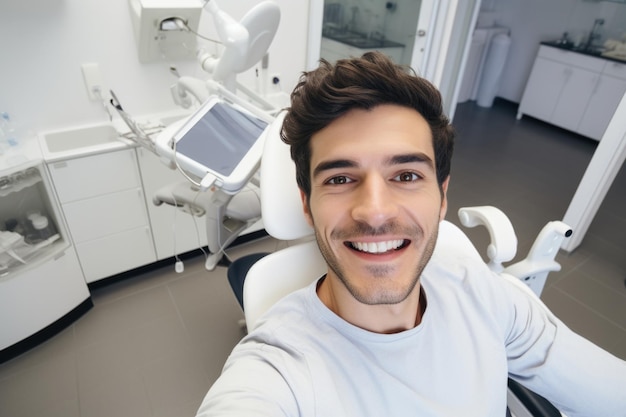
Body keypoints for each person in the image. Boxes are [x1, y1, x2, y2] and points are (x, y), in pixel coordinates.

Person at [196, 52, 626, 416]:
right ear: (307, 204)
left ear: (442, 198)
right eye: (340, 179)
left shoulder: (484, 295)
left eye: (405, 174)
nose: (375, 212)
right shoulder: (278, 369)